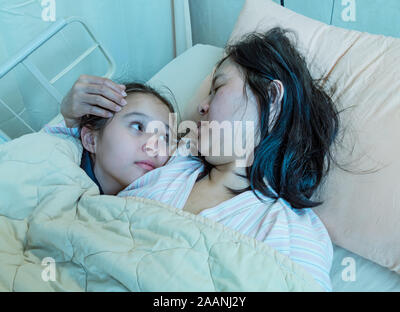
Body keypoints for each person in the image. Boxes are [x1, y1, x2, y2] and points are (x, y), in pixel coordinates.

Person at [51, 27, 340, 291]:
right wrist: (71, 119)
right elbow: (76, 180)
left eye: (217, 89)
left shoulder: (292, 231)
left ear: (271, 98)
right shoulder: (172, 159)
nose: (202, 105)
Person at [45, 81, 176, 195]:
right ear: (91, 140)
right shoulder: (57, 171)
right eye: (138, 127)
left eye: (164, 138)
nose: (154, 147)